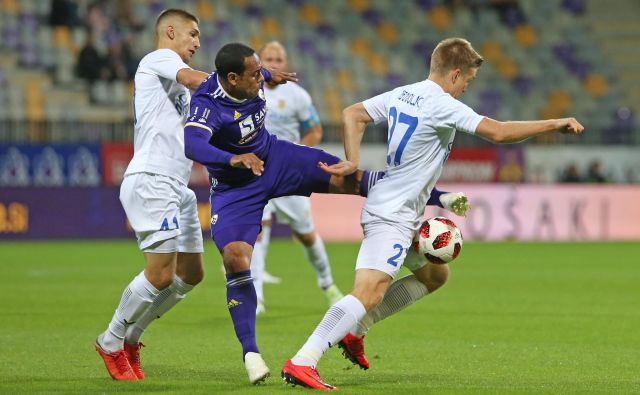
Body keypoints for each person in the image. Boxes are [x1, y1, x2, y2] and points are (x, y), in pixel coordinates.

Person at [281, 37, 584, 390]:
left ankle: (355, 331)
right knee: (369, 291)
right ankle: (304, 359)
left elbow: (353, 114)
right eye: (468, 81)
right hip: (391, 215)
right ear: (455, 74)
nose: (466, 88)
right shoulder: (443, 104)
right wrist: (554, 124)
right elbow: (499, 132)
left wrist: (353, 160)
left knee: (435, 276)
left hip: (398, 210)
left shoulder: (403, 93)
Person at [182, 42, 467, 385]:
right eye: (256, 74)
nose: (262, 78)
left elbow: (263, 76)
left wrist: (271, 75)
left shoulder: (252, 79)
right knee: (235, 258)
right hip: (235, 187)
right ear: (232, 78)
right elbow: (193, 145)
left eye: (262, 71)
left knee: (349, 177)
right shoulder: (206, 103)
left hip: (275, 158)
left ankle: (435, 196)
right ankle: (251, 353)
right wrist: (233, 159)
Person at [94, 9, 210, 381]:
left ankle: (132, 337)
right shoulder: (160, 59)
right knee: (160, 275)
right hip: (152, 179)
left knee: (191, 274)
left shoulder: (176, 86)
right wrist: (237, 81)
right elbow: (195, 79)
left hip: (178, 187)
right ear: (171, 31)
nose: (196, 42)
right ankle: (110, 339)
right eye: (192, 35)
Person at [250, 41, 344, 313]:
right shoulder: (249, 92)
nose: (275, 62)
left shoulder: (298, 95)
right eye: (269, 58)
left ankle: (328, 285)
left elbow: (314, 129)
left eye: (279, 58)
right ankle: (256, 295)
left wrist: (298, 154)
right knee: (257, 230)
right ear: (260, 62)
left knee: (305, 234)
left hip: (289, 174)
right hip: (258, 172)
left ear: (286, 63)